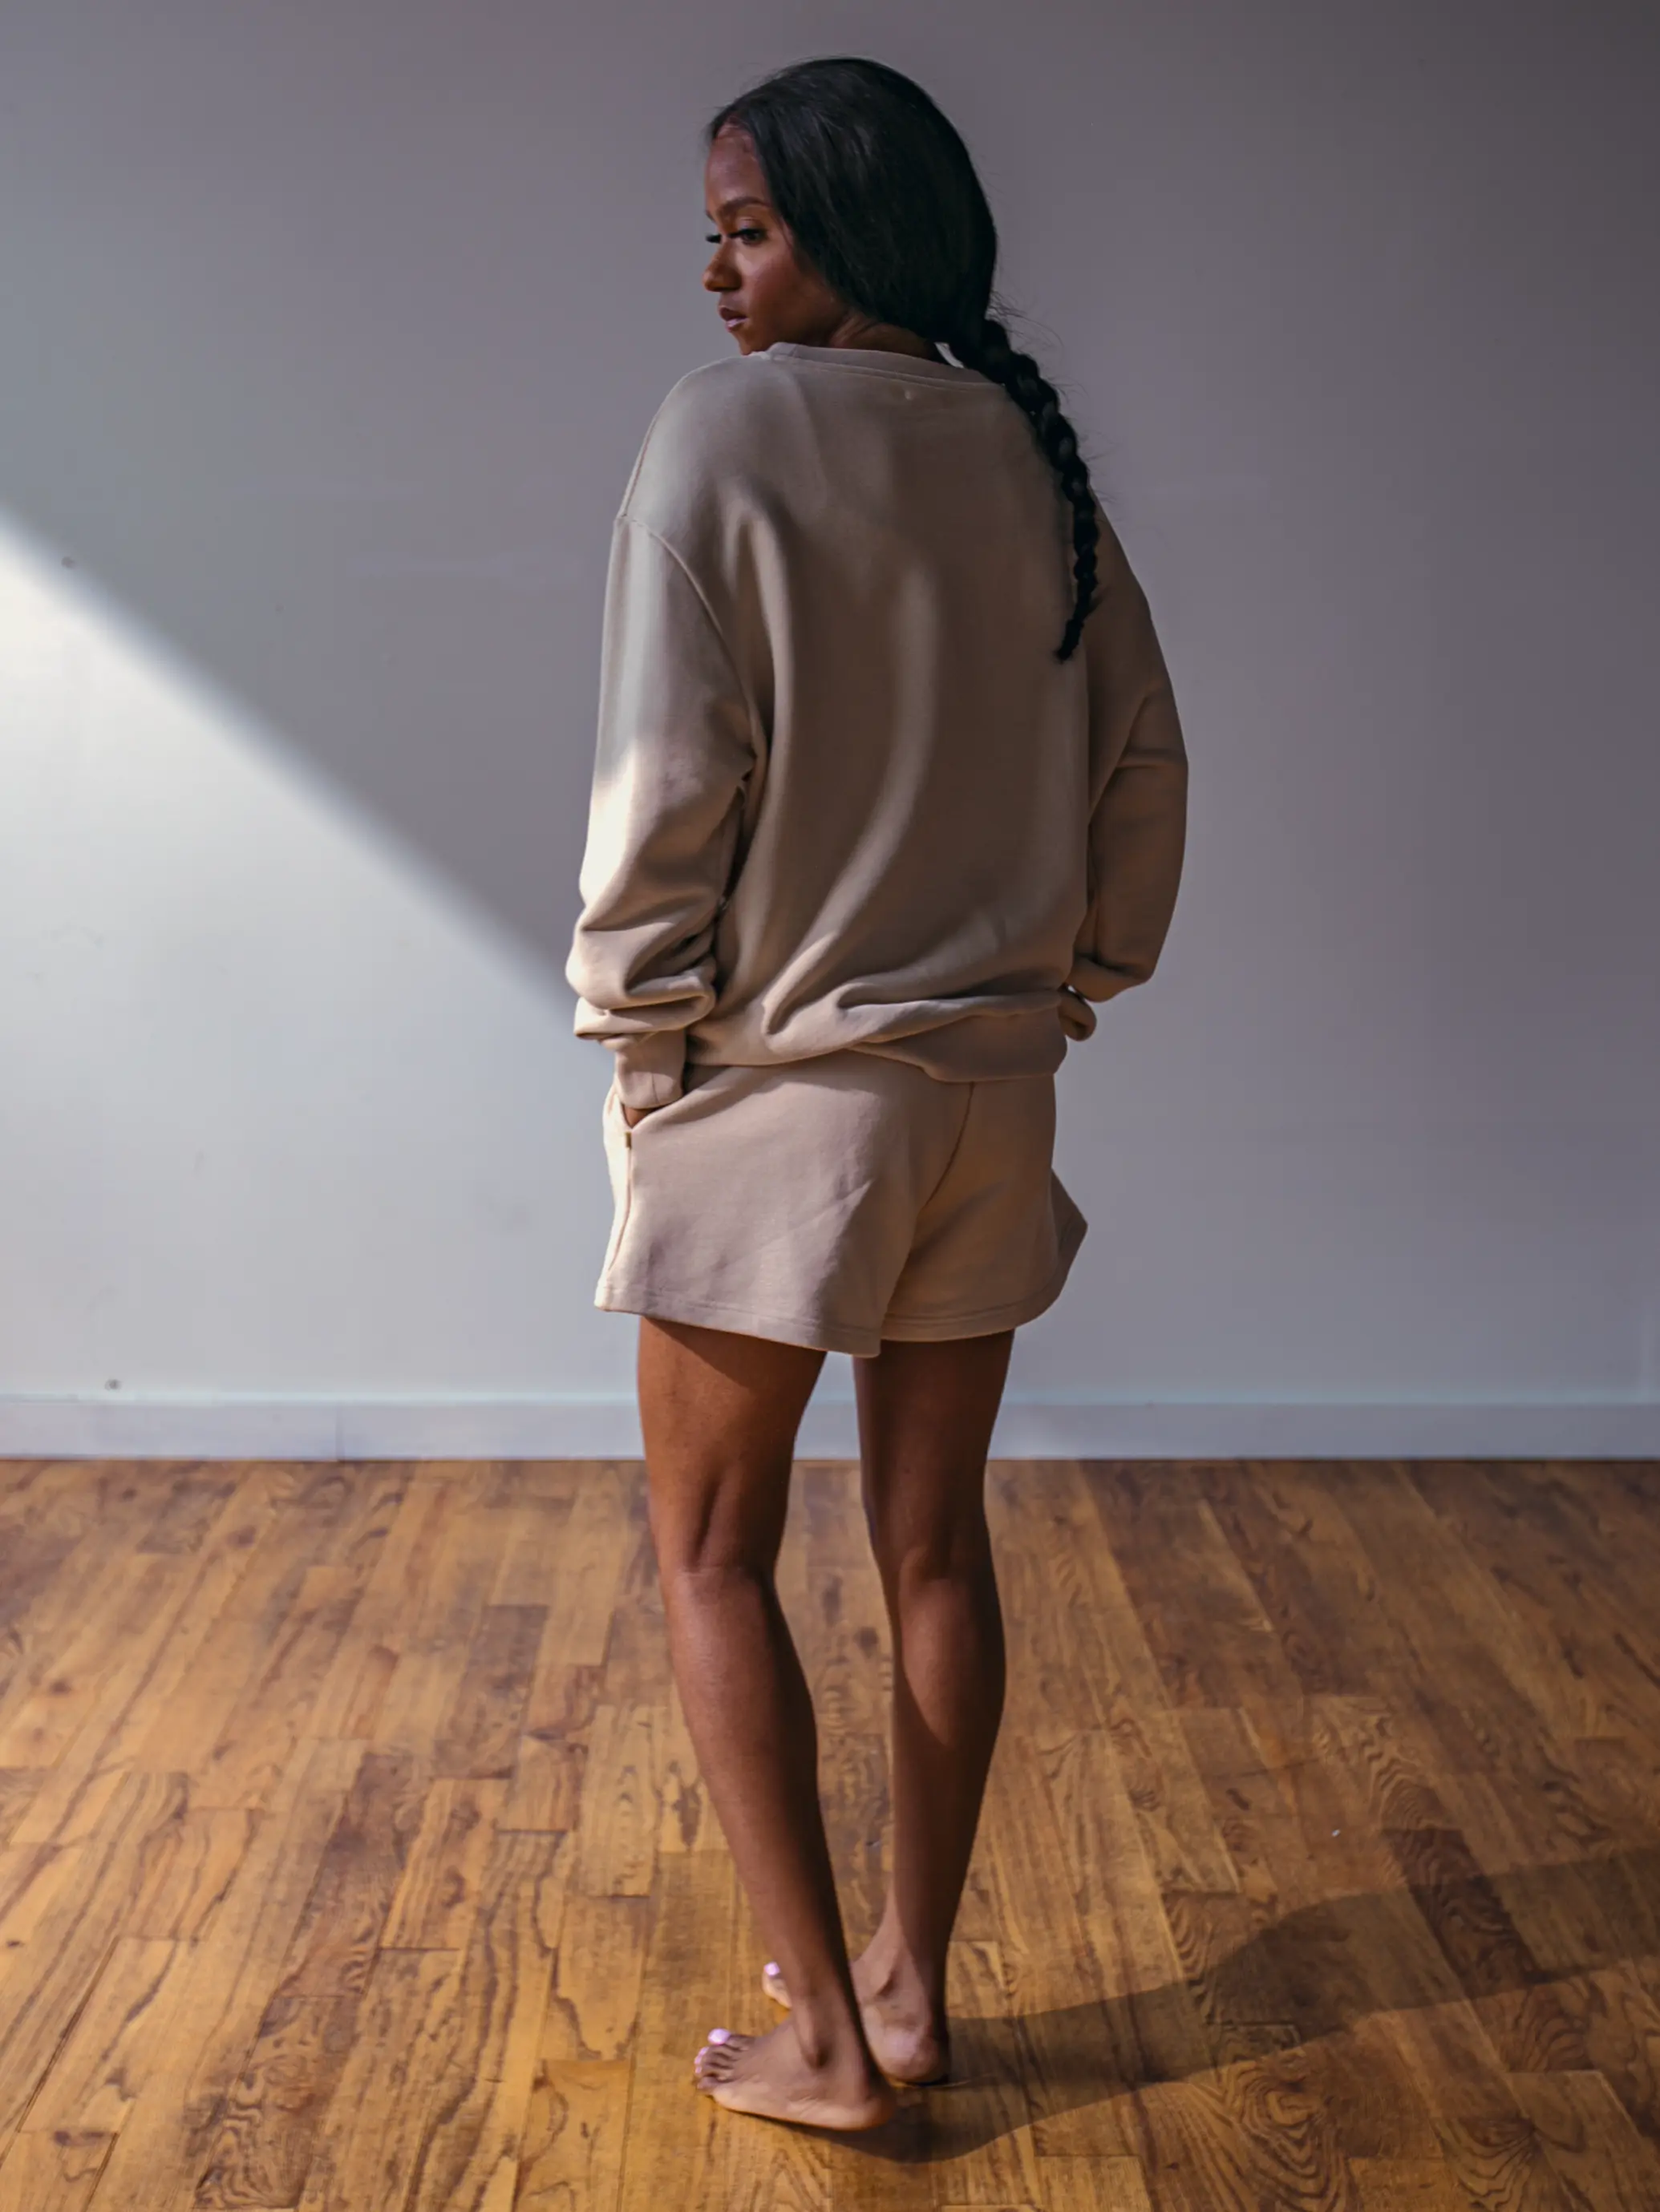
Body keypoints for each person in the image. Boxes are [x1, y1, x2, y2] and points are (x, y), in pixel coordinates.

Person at [565, 55, 1188, 2132]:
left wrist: (634, 1036)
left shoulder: (721, 436)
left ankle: (827, 2045)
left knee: (712, 1554)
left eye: (748, 229)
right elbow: (1140, 759)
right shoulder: (1026, 450)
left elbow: (669, 777)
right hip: (984, 1097)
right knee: (934, 1548)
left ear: (855, 228)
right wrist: (1070, 970)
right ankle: (907, 1987)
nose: (720, 276)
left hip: (776, 1099)